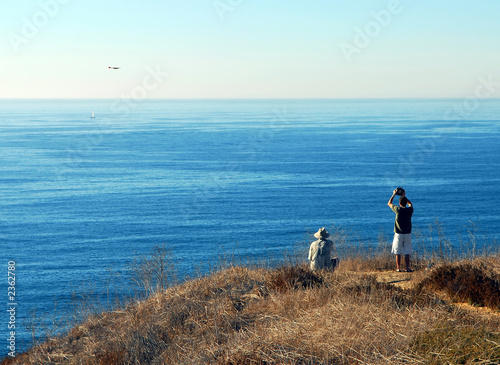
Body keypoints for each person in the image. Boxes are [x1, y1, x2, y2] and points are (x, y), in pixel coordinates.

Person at [387, 188, 413, 272]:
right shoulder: (410, 210)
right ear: (406, 202)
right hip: (407, 233)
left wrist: (394, 194)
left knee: (397, 251)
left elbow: (389, 203)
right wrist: (403, 196)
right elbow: (410, 204)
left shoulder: (398, 210)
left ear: (399, 203)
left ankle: (398, 268)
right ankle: (407, 268)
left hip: (398, 233)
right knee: (407, 252)